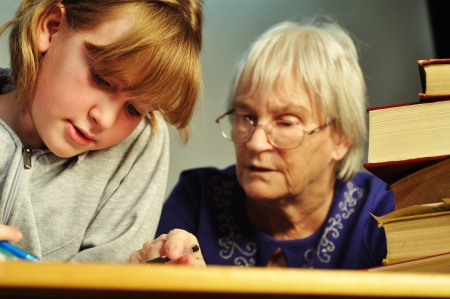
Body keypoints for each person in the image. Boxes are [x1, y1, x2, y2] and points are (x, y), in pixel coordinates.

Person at [130, 20, 395, 269]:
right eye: (246, 117)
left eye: (286, 123)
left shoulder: (383, 213)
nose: (256, 144)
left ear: (341, 138)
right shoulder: (198, 198)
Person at [0, 0, 202, 263]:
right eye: (101, 79)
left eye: (133, 109)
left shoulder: (139, 141)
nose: (105, 120)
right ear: (51, 28)